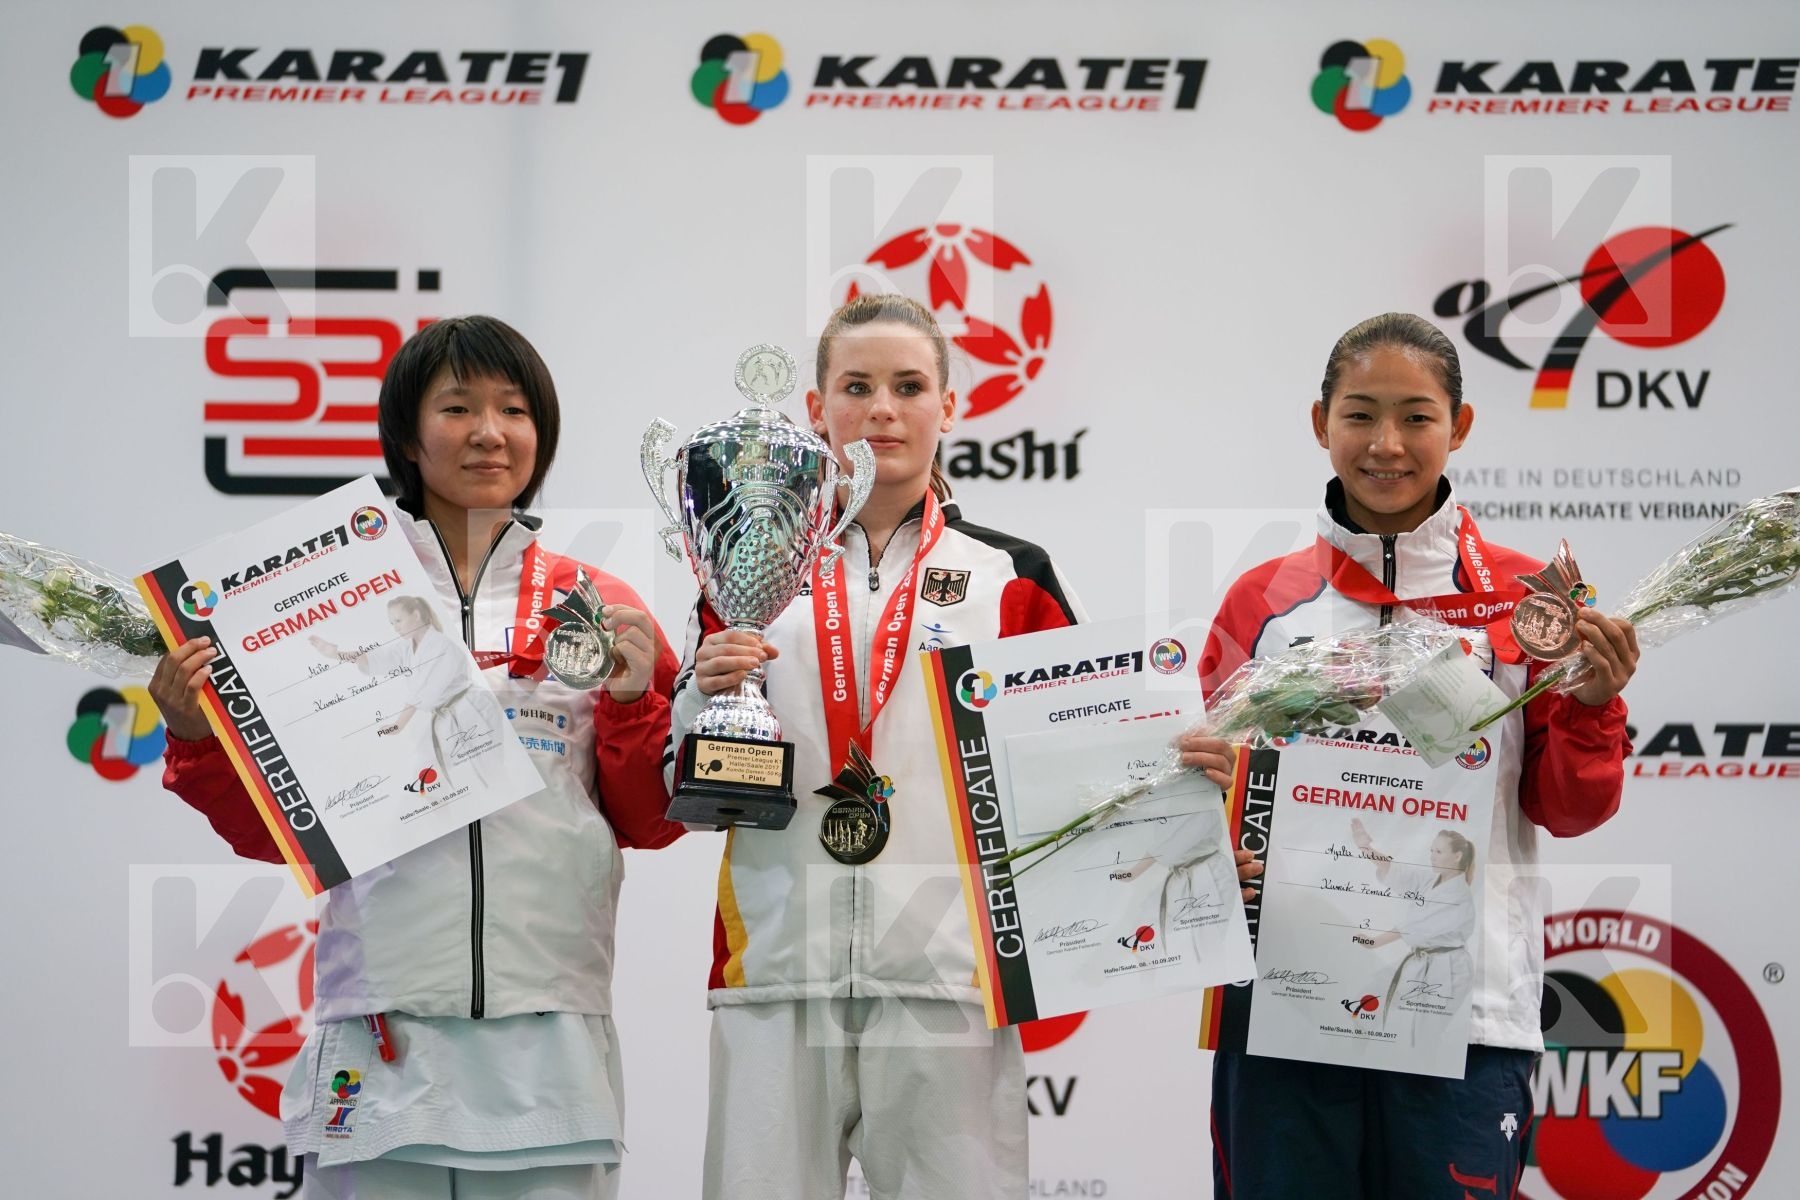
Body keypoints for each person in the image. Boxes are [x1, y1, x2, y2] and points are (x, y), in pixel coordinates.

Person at [149, 315, 682, 1200]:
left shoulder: (601, 603)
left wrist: (633, 706)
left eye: (514, 409)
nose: (488, 432)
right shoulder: (319, 603)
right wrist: (198, 736)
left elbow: (646, 819)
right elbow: (274, 830)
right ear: (405, 433)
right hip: (382, 1017)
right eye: (458, 407)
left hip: (547, 1023)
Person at [668, 293, 1130, 1200]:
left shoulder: (1013, 575)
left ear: (949, 407)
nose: (883, 408)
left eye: (909, 385)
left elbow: (1080, 767)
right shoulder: (745, 560)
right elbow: (687, 774)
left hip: (949, 981)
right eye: (857, 385)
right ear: (815, 409)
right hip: (774, 975)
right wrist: (697, 695)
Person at [1181, 312, 1639, 1198]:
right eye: (1360, 414)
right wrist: (1219, 847)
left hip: (1462, 1018)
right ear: (1321, 424)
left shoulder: (1529, 602)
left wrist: (1592, 702)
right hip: (1288, 1007)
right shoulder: (1264, 602)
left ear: (1458, 428)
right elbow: (1214, 785)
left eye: (1416, 416)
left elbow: (1573, 809)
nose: (1386, 444)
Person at [1348, 819, 1478, 1043]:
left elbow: (1417, 925)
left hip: (1448, 970)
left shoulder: (1458, 895)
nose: (1432, 856)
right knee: (1366, 1002)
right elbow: (1396, 871)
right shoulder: (1431, 880)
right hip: (1423, 960)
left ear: (1457, 856)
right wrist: (1366, 849)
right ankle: (1359, 1052)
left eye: (1438, 851)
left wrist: (1375, 942)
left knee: (1421, 1035)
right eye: (1431, 851)